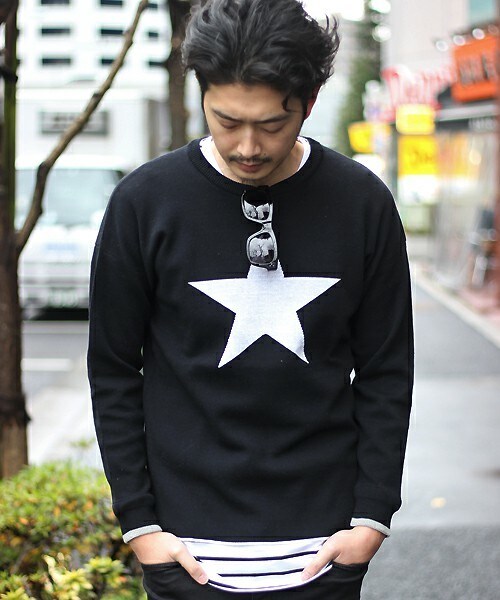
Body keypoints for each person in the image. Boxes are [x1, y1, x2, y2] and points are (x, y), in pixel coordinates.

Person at [87, 0, 414, 598]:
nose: (248, 146)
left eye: (271, 124)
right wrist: (140, 526)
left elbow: (387, 368)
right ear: (203, 95)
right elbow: (113, 368)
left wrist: (371, 518)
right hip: (183, 551)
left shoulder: (361, 202)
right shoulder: (144, 202)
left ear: (308, 103)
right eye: (226, 120)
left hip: (324, 549)